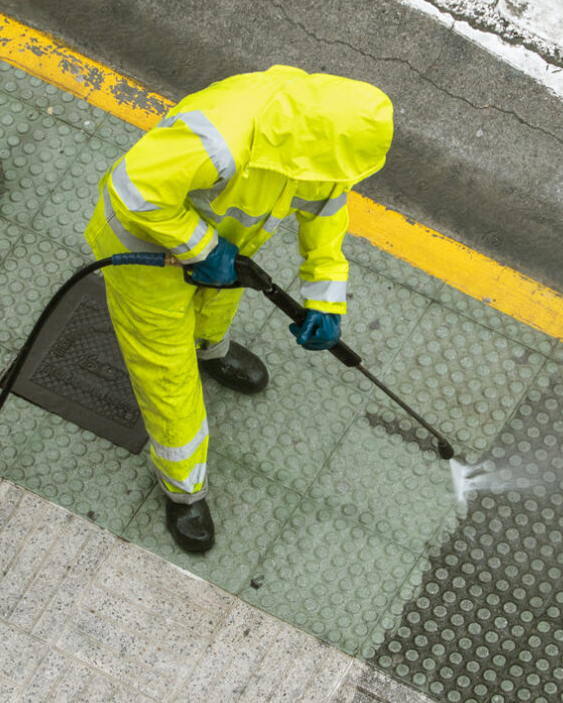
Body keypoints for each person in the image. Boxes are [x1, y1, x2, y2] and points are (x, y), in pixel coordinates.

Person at [85, 65, 393, 552]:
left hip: (224, 251)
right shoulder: (221, 138)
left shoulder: (320, 146)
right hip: (144, 252)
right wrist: (203, 247)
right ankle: (184, 489)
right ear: (308, 144)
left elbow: (327, 216)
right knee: (165, 374)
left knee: (218, 306)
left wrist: (325, 300)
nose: (335, 185)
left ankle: (211, 351)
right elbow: (133, 190)